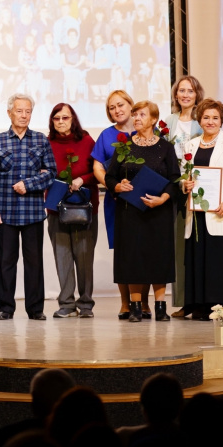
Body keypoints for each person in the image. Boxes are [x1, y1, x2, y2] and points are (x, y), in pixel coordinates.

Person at [0, 93, 56, 320]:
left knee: (34, 263)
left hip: (33, 212)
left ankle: (35, 309)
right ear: (9, 113)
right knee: (7, 262)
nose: (24, 115)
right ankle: (6, 308)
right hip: (5, 213)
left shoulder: (41, 140)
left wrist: (29, 184)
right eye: (19, 111)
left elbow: (51, 173)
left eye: (28, 111)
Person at [106, 101, 179, 322]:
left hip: (159, 212)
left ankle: (160, 307)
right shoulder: (124, 147)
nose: (136, 118)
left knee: (159, 257)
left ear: (154, 119)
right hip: (130, 212)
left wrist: (163, 198)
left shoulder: (166, 147)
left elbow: (174, 179)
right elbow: (110, 177)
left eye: (142, 115)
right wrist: (118, 186)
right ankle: (135, 307)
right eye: (135, 114)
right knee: (132, 257)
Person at [181, 99, 223, 318]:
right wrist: (185, 184)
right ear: (200, 120)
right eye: (206, 117)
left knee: (221, 260)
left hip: (221, 211)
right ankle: (200, 306)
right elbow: (184, 175)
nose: (210, 122)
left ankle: (222, 306)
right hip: (197, 213)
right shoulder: (191, 145)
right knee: (198, 259)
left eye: (215, 118)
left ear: (222, 120)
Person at [47, 103, 99, 318]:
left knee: (84, 257)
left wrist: (82, 179)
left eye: (65, 117)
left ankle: (85, 304)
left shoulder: (86, 141)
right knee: (63, 257)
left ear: (73, 119)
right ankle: (67, 304)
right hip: (57, 209)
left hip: (83, 209)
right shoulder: (47, 143)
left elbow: (98, 171)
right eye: (56, 118)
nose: (60, 121)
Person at [91, 90, 137, 319]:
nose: (117, 110)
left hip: (142, 201)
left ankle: (143, 303)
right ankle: (125, 303)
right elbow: (97, 167)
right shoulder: (106, 135)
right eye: (112, 107)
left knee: (142, 250)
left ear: (130, 105)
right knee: (122, 252)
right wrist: (113, 185)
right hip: (116, 201)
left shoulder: (146, 130)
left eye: (120, 105)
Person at [164, 76, 205, 317]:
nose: (186, 95)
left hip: (199, 187)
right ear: (176, 94)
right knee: (179, 248)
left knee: (198, 245)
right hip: (175, 188)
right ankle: (183, 301)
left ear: (197, 94)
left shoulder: (204, 120)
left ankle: (201, 300)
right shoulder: (168, 122)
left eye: (190, 91)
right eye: (182, 90)